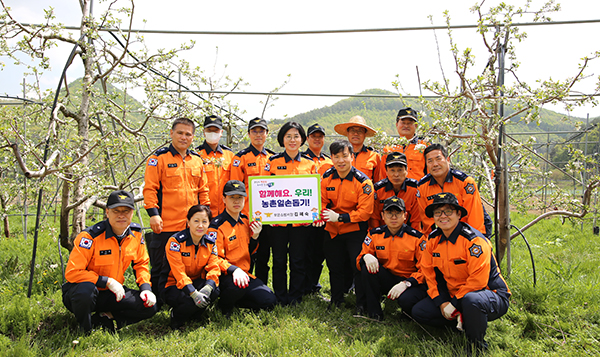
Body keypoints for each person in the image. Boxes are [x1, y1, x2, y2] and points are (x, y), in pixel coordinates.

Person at [412, 193, 510, 355]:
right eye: (438, 212)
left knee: (472, 301)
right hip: (453, 295)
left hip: (488, 294)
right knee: (419, 311)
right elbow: (429, 274)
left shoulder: (474, 241)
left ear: (459, 214)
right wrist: (442, 302)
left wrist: (455, 303)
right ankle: (463, 322)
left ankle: (476, 345)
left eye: (448, 211)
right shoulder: (433, 240)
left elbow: (478, 281)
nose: (443, 216)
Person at [62, 190, 157, 333]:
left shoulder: (136, 234)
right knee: (85, 291)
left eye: (126, 211)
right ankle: (85, 330)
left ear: (132, 213)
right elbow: (72, 273)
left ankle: (105, 320)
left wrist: (145, 288)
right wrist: (107, 281)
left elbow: (141, 264)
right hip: (83, 292)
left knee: (151, 305)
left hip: (113, 293)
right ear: (107, 212)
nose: (121, 215)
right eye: (116, 211)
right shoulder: (90, 237)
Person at [143, 117, 210, 301]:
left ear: (193, 137)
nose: (183, 137)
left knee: (188, 264)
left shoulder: (197, 160)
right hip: (166, 223)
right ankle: (156, 301)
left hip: (191, 225)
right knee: (160, 265)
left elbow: (203, 190)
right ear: (171, 133)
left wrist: (205, 217)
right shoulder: (158, 159)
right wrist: (153, 215)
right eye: (180, 133)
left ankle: (184, 296)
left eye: (188, 134)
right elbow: (150, 189)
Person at [316, 140, 374, 313]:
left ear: (352, 157)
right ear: (331, 158)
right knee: (334, 267)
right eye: (336, 156)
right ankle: (336, 300)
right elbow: (321, 201)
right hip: (332, 230)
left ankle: (361, 303)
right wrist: (320, 215)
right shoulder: (326, 177)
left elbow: (365, 212)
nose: (340, 161)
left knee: (357, 267)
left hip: (354, 230)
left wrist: (340, 217)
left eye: (344, 156)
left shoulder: (363, 182)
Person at [262, 122, 316, 305]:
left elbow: (314, 192)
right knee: (278, 260)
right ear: (282, 139)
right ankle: (280, 296)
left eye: (296, 136)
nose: (292, 140)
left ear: (302, 139)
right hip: (277, 223)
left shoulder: (310, 163)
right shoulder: (272, 162)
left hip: (301, 223)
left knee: (298, 260)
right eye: (288, 136)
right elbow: (264, 191)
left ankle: (295, 296)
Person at [210, 180, 277, 316]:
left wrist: (255, 237)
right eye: (232, 198)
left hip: (245, 274)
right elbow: (214, 258)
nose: (236, 202)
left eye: (240, 198)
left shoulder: (246, 221)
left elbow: (250, 251)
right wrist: (234, 270)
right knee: (236, 286)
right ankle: (224, 306)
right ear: (224, 199)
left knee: (269, 300)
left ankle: (237, 302)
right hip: (225, 275)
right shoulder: (216, 226)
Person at [357, 196, 427, 320]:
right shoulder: (374, 234)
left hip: (408, 282)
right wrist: (366, 256)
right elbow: (359, 260)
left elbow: (425, 270)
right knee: (366, 268)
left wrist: (406, 284)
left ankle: (407, 314)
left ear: (405, 215)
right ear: (382, 216)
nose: (393, 217)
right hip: (387, 278)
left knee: (406, 300)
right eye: (389, 213)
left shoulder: (417, 239)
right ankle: (374, 313)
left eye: (398, 213)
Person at [159, 205, 221, 329]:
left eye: (204, 222)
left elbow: (214, 267)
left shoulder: (211, 243)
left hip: (196, 280)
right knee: (189, 300)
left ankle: (195, 315)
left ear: (209, 223)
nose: (200, 226)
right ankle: (176, 317)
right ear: (188, 222)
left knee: (214, 292)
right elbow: (179, 273)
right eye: (196, 221)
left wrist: (208, 288)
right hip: (172, 284)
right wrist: (193, 293)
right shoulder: (175, 242)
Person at [230, 117, 275, 284]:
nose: (258, 135)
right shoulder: (240, 158)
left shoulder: (273, 158)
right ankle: (244, 286)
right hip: (247, 217)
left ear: (266, 134)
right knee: (247, 254)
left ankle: (261, 286)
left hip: (270, 217)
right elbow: (235, 190)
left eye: (261, 131)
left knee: (264, 254)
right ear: (249, 134)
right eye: (254, 131)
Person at [417, 143, 492, 237]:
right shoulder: (422, 186)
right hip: (445, 229)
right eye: (430, 161)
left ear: (447, 160)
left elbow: (474, 218)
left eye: (438, 159)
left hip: (472, 228)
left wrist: (473, 240)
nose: (435, 164)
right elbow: (427, 222)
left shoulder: (465, 182)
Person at [302, 123, 333, 295]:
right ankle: (304, 287)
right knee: (305, 252)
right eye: (313, 136)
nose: (317, 139)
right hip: (305, 215)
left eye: (320, 136)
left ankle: (314, 286)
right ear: (307, 139)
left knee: (319, 253)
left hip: (325, 214)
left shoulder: (330, 161)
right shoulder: (300, 159)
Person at [370, 152, 424, 233]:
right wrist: (377, 237)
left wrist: (413, 240)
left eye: (400, 170)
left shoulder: (415, 189)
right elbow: (374, 219)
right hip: (383, 233)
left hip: (407, 233)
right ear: (386, 172)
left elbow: (416, 221)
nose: (396, 174)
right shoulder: (378, 190)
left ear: (406, 171)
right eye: (392, 170)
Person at [196, 115, 235, 217]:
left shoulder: (229, 155)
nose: (212, 133)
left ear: (221, 133)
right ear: (204, 132)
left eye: (216, 130)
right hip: (203, 213)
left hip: (226, 211)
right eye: (209, 130)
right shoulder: (196, 155)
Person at [379, 107, 429, 181]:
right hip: (394, 191)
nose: (406, 126)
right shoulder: (388, 148)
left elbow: (430, 175)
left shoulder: (425, 146)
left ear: (416, 126)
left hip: (419, 190)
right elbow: (383, 176)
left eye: (410, 123)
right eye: (403, 122)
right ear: (397, 124)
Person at [334, 115, 381, 182]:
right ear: (347, 133)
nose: (356, 134)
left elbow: (378, 183)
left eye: (359, 131)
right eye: (352, 131)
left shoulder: (374, 156)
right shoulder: (338, 156)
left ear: (365, 134)